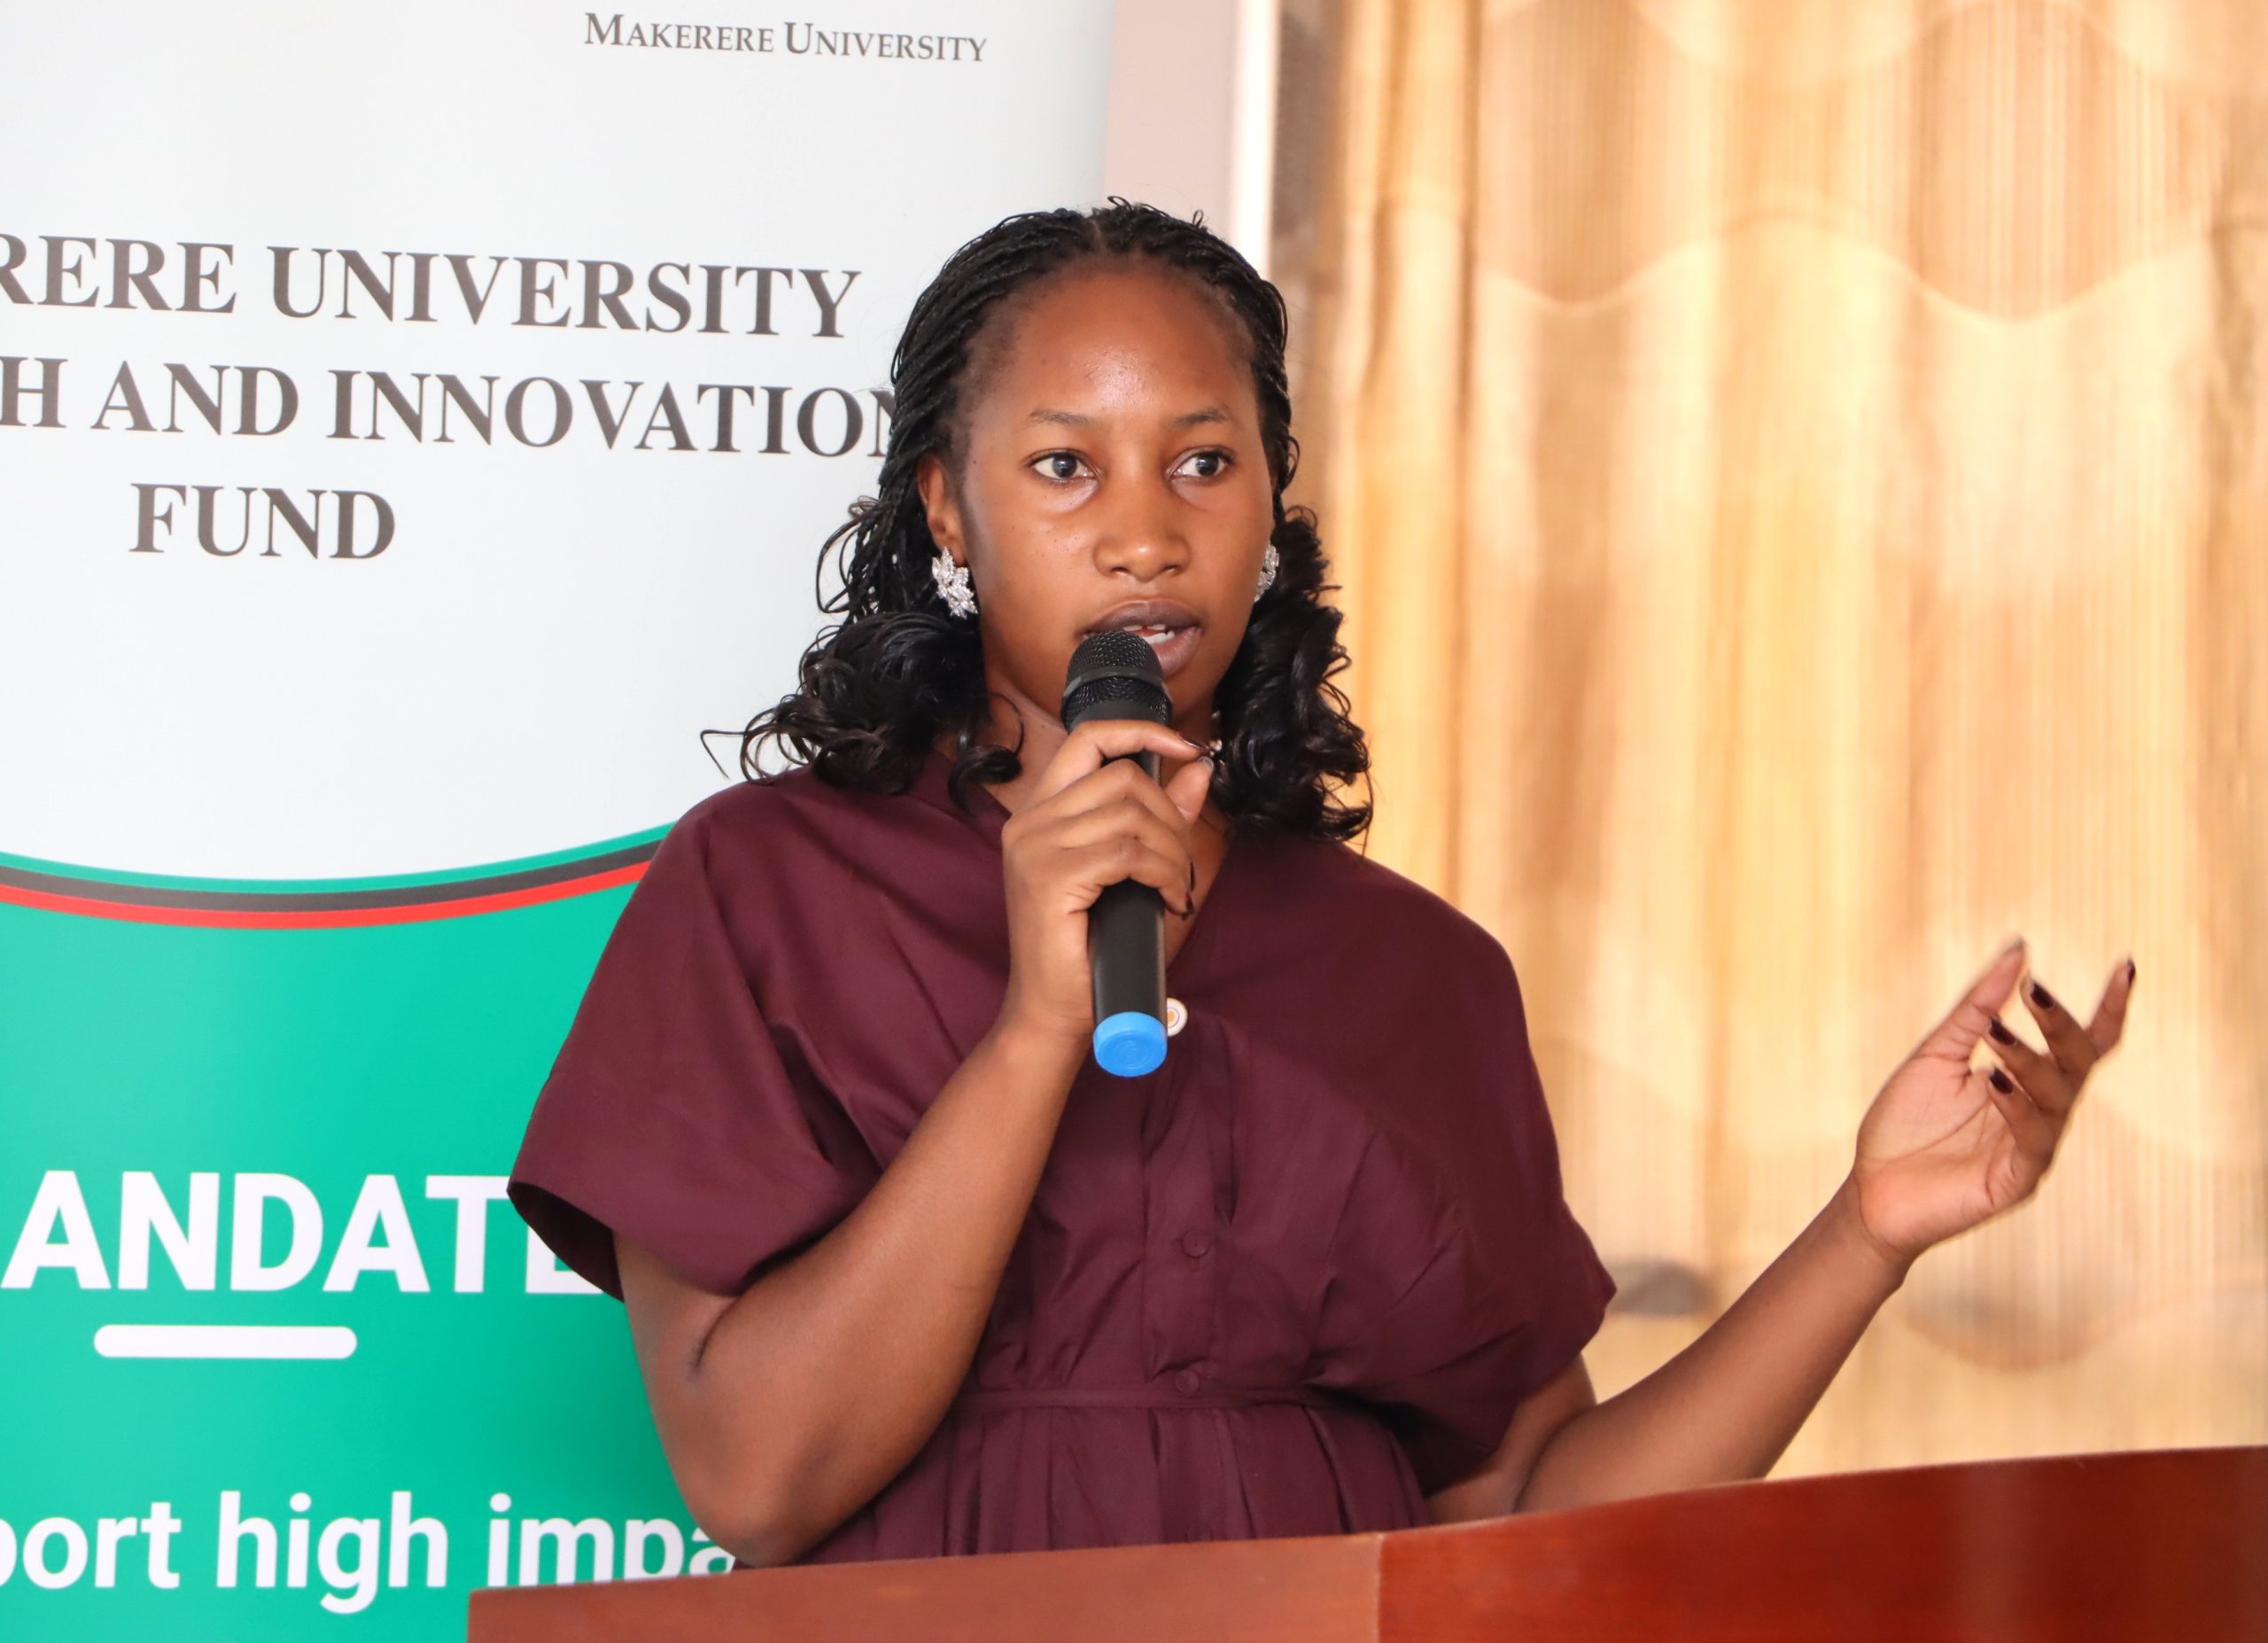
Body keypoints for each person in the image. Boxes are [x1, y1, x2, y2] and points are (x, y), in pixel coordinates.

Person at [507, 199, 2135, 1569]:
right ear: (947, 503)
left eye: (1204, 464)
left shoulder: (1415, 970)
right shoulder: (770, 888)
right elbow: (752, 1478)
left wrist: (1869, 1230)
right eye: (1066, 468)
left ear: (1272, 507)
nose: (1144, 535)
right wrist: (1034, 1035)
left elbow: (1531, 1515)